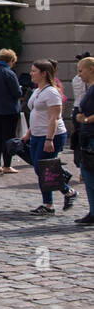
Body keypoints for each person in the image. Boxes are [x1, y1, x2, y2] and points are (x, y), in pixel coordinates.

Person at [21, 59, 77, 215]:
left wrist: (49, 139)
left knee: (44, 169)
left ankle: (66, 193)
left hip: (51, 135)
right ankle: (49, 203)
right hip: (37, 135)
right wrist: (29, 133)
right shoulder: (38, 90)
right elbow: (37, 114)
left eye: (34, 71)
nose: (31, 74)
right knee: (42, 170)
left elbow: (54, 117)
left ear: (44, 73)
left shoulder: (52, 92)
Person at [72, 55, 94, 226]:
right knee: (87, 176)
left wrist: (85, 119)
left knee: (90, 176)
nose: (79, 75)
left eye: (81, 71)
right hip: (87, 136)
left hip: (92, 136)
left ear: (91, 69)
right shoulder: (89, 88)